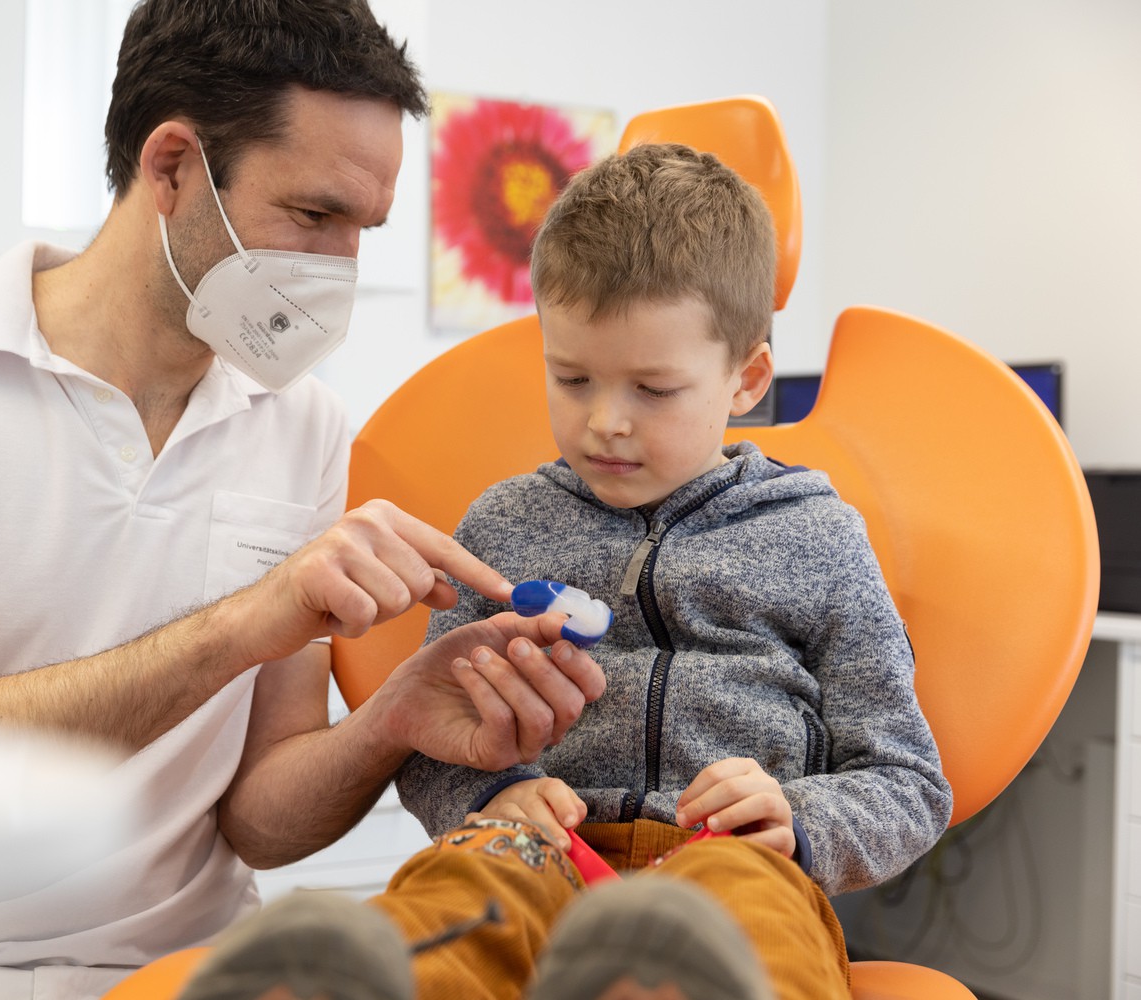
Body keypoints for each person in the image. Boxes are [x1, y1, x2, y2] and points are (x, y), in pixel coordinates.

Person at [0, 2, 605, 997]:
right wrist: (246, 625)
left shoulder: (300, 426)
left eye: (363, 229)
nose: (340, 269)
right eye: (313, 216)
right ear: (171, 166)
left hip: (191, 970)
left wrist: (391, 721)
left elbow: (257, 817)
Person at [177, 143, 953, 1000]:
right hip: (537, 846)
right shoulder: (503, 527)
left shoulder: (818, 536)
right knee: (461, 901)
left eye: (653, 390)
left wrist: (799, 820)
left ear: (748, 379)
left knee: (745, 933)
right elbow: (435, 740)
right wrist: (493, 800)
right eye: (573, 377)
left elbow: (906, 779)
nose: (606, 423)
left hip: (737, 858)